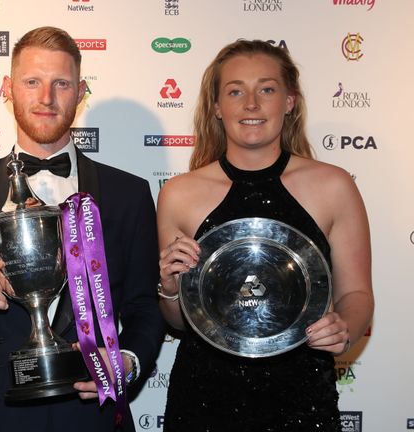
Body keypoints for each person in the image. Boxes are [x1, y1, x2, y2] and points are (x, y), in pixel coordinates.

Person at [0, 26, 165, 431]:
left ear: (81, 91)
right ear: (8, 88)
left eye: (61, 84)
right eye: (32, 82)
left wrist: (128, 359)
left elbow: (144, 304)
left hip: (95, 411)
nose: (46, 98)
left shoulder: (129, 193)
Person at [156, 39, 374, 431]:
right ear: (217, 107)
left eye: (267, 89)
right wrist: (170, 286)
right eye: (235, 91)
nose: (251, 104)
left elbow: (356, 294)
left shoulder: (334, 186)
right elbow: (178, 320)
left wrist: (345, 328)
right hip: (204, 401)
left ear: (289, 101)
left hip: (302, 398)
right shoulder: (179, 193)